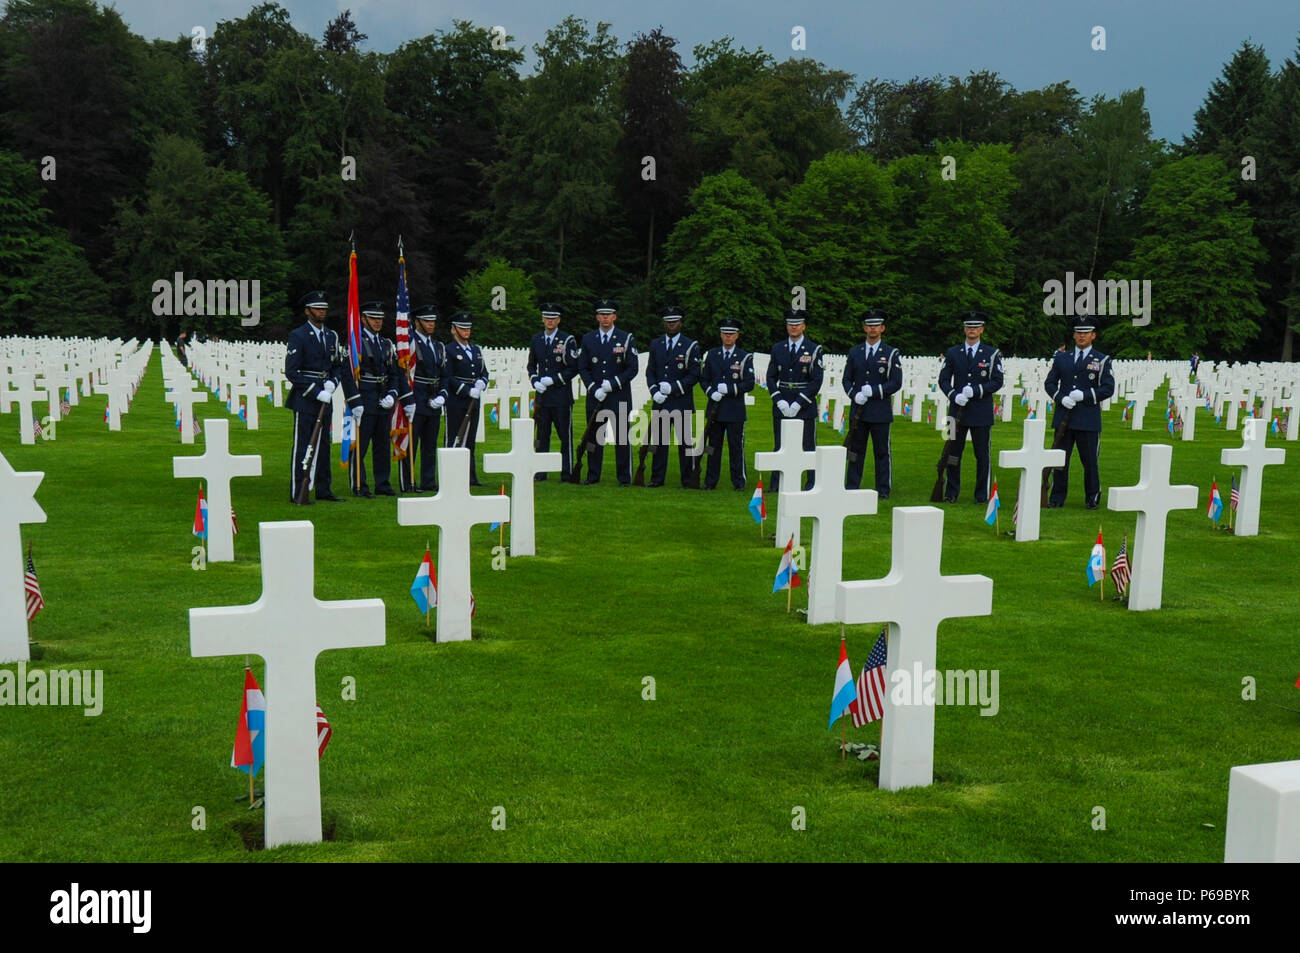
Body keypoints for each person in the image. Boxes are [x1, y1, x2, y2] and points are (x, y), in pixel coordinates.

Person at [284, 290, 359, 503]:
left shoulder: (331, 336)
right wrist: (317, 392)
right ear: (307, 311)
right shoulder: (298, 336)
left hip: (327, 396)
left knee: (324, 445)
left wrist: (332, 383)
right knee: (304, 445)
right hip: (306, 398)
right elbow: (292, 371)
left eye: (324, 308)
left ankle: (324, 489)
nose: (322, 312)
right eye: (317, 308)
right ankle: (299, 490)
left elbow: (338, 366)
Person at [1044, 316, 1115, 509]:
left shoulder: (1102, 360)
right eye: (1078, 332)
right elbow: (1049, 383)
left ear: (1093, 335)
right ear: (1074, 335)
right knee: (1060, 461)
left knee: (1090, 461)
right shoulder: (1061, 358)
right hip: (1064, 416)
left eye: (1086, 333)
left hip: (1088, 419)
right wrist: (1060, 398)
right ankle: (1057, 497)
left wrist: (1084, 395)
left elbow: (1108, 388)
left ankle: (1092, 497)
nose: (1082, 336)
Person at [937, 310, 1004, 504]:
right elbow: (943, 379)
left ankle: (981, 495)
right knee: (952, 453)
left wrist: (976, 391)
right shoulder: (953, 352)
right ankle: (951, 492)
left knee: (982, 455)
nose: (971, 330)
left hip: (980, 411)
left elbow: (997, 382)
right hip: (955, 411)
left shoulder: (992, 354)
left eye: (975, 327)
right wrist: (953, 395)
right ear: (964, 329)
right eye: (968, 327)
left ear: (982, 329)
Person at [842, 308, 903, 497]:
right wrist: (854, 394)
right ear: (864, 328)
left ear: (882, 328)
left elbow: (896, 381)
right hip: (858, 410)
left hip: (880, 411)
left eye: (876, 325)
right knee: (855, 451)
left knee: (882, 452)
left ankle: (883, 489)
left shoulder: (891, 353)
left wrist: (876, 391)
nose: (873, 329)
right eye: (869, 325)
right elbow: (846, 379)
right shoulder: (855, 352)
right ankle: (852, 486)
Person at [577, 298, 639, 485]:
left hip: (618, 396)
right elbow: (583, 367)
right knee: (595, 438)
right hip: (596, 397)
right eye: (602, 315)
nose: (605, 318)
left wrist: (613, 383)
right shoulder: (588, 339)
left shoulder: (625, 338)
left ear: (615, 316)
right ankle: (593, 475)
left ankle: (624, 477)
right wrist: (593, 388)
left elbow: (632, 368)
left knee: (621, 439)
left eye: (608, 314)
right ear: (597, 317)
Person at [352, 301, 409, 497]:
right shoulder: (356, 343)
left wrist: (393, 394)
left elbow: (394, 373)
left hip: (384, 398)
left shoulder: (386, 344)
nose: (377, 322)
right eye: (373, 318)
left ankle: (383, 483)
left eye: (380, 319)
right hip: (365, 398)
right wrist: (355, 401)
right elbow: (349, 374)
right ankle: (359, 484)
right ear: (363, 319)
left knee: (382, 445)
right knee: (361, 444)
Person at [765, 308, 824, 491]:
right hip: (782, 402)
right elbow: (771, 377)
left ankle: (811, 484)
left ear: (804, 326)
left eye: (797, 324)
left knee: (808, 447)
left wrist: (799, 402)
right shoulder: (778, 348)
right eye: (790, 324)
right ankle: (776, 485)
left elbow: (816, 380)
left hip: (804, 405)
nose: (793, 327)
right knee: (780, 446)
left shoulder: (814, 349)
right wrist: (778, 400)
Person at [645, 304, 701, 487]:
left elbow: (694, 374)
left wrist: (674, 387)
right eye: (668, 322)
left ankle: (688, 479)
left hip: (681, 401)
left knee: (684, 444)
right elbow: (650, 371)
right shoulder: (656, 344)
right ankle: (657, 478)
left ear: (680, 323)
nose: (671, 325)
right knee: (659, 444)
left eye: (674, 322)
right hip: (661, 401)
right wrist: (654, 391)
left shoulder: (690, 345)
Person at [698, 317, 755, 490]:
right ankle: (710, 481)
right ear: (721, 335)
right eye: (725, 334)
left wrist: (730, 389)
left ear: (737, 336)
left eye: (731, 334)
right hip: (715, 408)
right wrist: (710, 392)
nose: (728, 337)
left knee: (736, 447)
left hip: (735, 410)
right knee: (713, 447)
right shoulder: (712, 355)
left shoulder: (744, 357)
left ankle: (739, 481)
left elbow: (749, 383)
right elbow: (704, 378)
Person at [528, 302, 580, 482]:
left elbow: (573, 368)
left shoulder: (567, 340)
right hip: (543, 396)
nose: (550, 321)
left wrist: (555, 379)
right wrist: (534, 380)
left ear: (559, 320)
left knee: (565, 436)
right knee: (542, 436)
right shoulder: (536, 340)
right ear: (543, 319)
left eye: (553, 318)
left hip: (561, 396)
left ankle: (567, 473)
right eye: (547, 317)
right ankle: (541, 472)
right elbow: (531, 365)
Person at [441, 310, 488, 486]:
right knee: (454, 438)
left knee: (470, 440)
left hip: (474, 401)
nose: (466, 331)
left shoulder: (476, 350)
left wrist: (483, 382)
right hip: (457, 401)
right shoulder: (449, 350)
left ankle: (470, 477)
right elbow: (448, 376)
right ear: (454, 329)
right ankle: (451, 477)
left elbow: (484, 371)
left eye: (468, 327)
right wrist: (466, 390)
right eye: (462, 328)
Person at [408, 304, 446, 493]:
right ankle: (409, 480)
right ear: (417, 322)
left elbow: (444, 374)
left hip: (434, 398)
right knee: (412, 443)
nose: (431, 325)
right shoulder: (411, 343)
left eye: (433, 321)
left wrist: (442, 395)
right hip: (417, 397)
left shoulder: (438, 346)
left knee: (430, 444)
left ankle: (428, 481)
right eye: (427, 321)